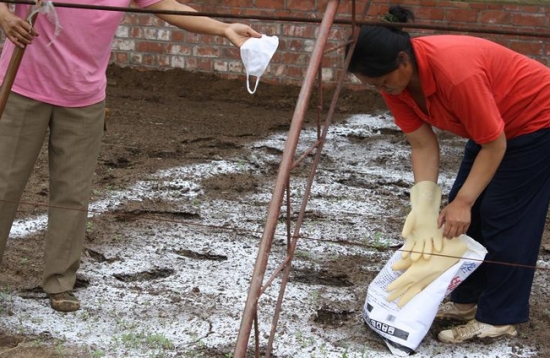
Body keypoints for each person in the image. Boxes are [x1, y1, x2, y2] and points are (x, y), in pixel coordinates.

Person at [0, 1, 260, 312]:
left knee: (72, 193)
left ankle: (60, 282)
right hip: (22, 88)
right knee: (4, 186)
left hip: (84, 98)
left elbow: (168, 6)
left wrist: (223, 29)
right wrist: (4, 15)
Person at [347, 5, 550, 344]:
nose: (381, 90)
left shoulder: (456, 73)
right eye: (372, 86)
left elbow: (494, 145)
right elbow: (423, 144)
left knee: (504, 216)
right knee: (459, 221)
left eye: (382, 82)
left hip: (536, 120)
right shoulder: (393, 86)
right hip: (489, 130)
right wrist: (424, 208)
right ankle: (467, 302)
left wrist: (464, 201)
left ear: (403, 60)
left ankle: (500, 316)